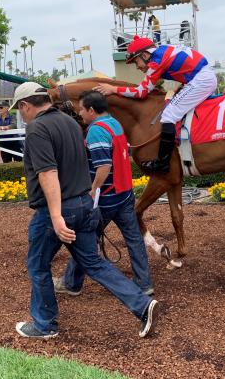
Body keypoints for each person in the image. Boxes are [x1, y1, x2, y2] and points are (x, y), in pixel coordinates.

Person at [9, 82, 158, 339]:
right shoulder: (71, 122)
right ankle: (142, 304)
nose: (21, 115)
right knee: (93, 262)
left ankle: (44, 326)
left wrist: (55, 216)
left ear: (25, 105)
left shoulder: (37, 129)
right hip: (84, 204)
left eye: (19, 110)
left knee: (37, 265)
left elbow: (47, 173)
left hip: (57, 210)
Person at [54, 90, 153, 297]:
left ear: (91, 110)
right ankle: (144, 283)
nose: (80, 113)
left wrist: (92, 190)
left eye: (81, 109)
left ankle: (72, 283)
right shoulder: (114, 123)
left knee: (84, 241)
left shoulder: (96, 130)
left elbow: (103, 166)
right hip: (124, 192)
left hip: (106, 196)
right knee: (133, 238)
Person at [93, 36, 217, 173]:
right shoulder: (162, 51)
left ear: (145, 55)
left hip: (201, 80)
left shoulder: (156, 61)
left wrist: (113, 89)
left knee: (168, 115)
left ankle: (163, 163)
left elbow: (141, 92)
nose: (138, 67)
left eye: (136, 62)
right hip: (201, 77)